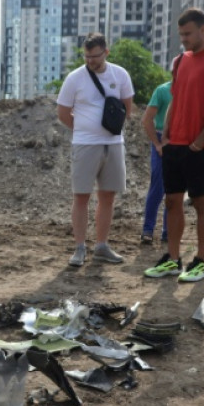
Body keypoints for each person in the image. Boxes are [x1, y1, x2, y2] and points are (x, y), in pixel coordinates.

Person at [144, 8, 204, 282]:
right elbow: (175, 98)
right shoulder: (180, 61)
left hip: (200, 147)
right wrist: (165, 137)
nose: (183, 39)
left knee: (200, 201)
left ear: (203, 30)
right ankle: (173, 260)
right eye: (180, 34)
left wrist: (200, 141)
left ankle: (202, 261)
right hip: (175, 144)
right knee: (172, 201)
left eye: (188, 34)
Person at [56, 32, 135, 267]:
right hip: (84, 144)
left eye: (95, 56)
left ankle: (101, 246)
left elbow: (127, 108)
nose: (90, 61)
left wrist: (109, 130)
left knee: (107, 196)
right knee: (81, 196)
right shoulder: (75, 78)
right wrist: (82, 129)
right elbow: (62, 113)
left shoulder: (119, 75)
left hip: (113, 144)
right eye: (87, 56)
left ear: (106, 52)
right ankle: (79, 248)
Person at [139, 54, 181, 245]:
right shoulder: (163, 91)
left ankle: (168, 231)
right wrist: (157, 144)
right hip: (161, 140)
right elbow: (146, 119)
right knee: (158, 187)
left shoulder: (190, 91)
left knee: (175, 189)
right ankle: (148, 230)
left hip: (181, 141)